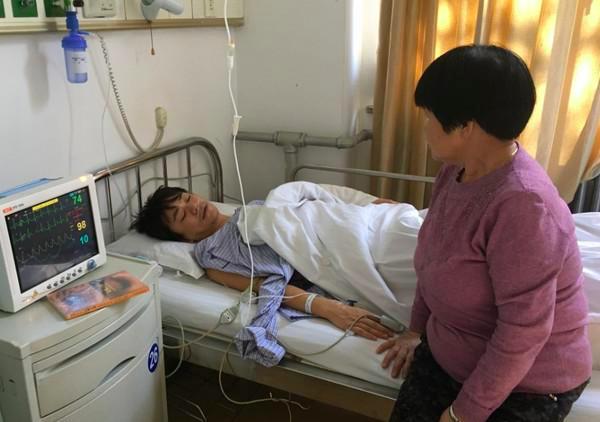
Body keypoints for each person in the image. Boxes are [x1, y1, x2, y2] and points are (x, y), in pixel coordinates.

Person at [376, 44, 592, 421]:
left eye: (429, 117)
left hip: (526, 382)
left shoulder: (525, 205)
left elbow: (523, 331)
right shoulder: (454, 171)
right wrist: (416, 331)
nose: (424, 128)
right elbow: (434, 262)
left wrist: (463, 413)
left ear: (466, 127)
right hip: (451, 356)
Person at [130, 185, 395, 343]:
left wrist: (367, 207)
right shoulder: (214, 257)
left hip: (359, 229)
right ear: (184, 239)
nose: (193, 207)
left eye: (188, 198)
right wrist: (330, 309)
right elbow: (268, 285)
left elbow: (311, 205)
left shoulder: (253, 209)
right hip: (342, 260)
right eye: (181, 216)